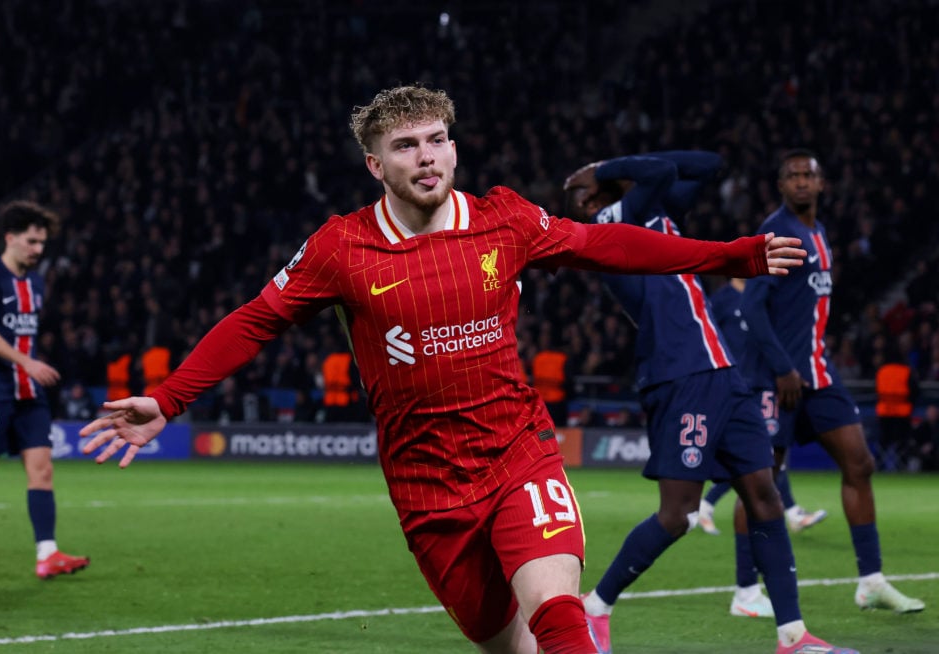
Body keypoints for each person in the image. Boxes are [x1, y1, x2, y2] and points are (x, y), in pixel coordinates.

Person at [79, 86, 806, 654]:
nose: (426, 156)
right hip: (427, 487)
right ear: (376, 164)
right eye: (405, 146)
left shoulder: (504, 221)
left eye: (437, 140)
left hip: (519, 451)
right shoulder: (341, 249)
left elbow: (608, 244)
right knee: (507, 639)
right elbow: (257, 319)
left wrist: (731, 254)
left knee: (557, 614)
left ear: (453, 148)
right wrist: (170, 400)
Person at [563, 152, 855, 654]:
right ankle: (594, 608)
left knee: (763, 494)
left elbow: (708, 164)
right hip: (680, 376)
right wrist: (605, 171)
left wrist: (607, 167)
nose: (586, 196)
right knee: (678, 514)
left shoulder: (657, 214)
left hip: (722, 371)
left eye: (587, 187)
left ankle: (793, 637)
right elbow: (658, 173)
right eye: (581, 192)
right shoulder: (608, 225)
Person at [740, 149, 924, 614]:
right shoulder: (776, 231)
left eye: (810, 175)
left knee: (859, 464)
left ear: (822, 185)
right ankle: (745, 592)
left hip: (819, 373)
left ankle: (871, 580)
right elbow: (751, 307)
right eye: (793, 176)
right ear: (781, 185)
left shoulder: (818, 232)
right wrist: (782, 368)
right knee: (760, 482)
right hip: (778, 378)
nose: (802, 182)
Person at [0, 201, 89, 581]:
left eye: (42, 243)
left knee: (42, 471)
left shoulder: (37, 282)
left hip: (30, 392)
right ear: (10, 238)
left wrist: (30, 367)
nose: (38, 250)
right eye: (31, 241)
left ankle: (48, 553)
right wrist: (26, 362)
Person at [697, 277, 828, 537]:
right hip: (733, 385)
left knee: (764, 454)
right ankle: (710, 504)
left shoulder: (765, 299)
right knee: (757, 456)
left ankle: (789, 512)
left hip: (762, 382)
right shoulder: (722, 300)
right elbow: (708, 337)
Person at [873, 343, 918, 471]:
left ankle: (879, 466)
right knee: (902, 443)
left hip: (884, 412)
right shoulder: (906, 371)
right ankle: (902, 466)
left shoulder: (882, 371)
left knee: (883, 442)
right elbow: (915, 391)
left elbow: (877, 391)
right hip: (902, 413)